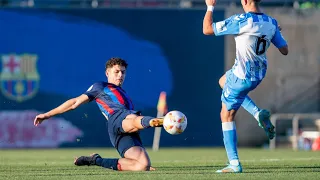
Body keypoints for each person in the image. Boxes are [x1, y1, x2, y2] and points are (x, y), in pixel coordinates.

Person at [33, 57, 164, 171]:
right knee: (133, 119)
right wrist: (47, 115)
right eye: (116, 71)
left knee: (143, 165)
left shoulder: (124, 94)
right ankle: (157, 121)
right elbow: (74, 102)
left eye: (123, 72)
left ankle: (95, 160)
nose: (120, 75)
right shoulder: (100, 86)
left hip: (125, 130)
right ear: (107, 73)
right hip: (117, 118)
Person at [203, 0, 288, 173]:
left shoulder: (241, 20)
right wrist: (274, 33)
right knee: (222, 81)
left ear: (246, 1)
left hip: (241, 77)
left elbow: (207, 29)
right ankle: (258, 114)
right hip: (258, 75)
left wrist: (210, 6)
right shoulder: (271, 22)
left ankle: (234, 164)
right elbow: (284, 49)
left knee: (226, 116)